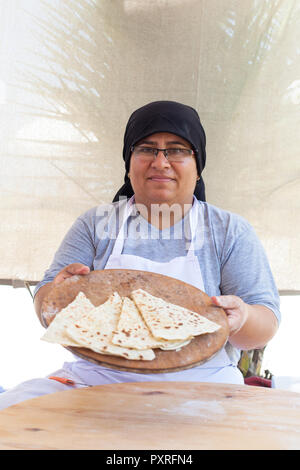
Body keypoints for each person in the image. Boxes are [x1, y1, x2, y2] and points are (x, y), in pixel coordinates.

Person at [0, 101, 280, 410]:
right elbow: (45, 304)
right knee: (13, 413)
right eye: (147, 148)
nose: (161, 162)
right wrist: (56, 295)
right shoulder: (96, 224)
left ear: (198, 167)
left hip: (203, 386)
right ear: (128, 162)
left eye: (177, 150)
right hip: (95, 381)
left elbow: (264, 322)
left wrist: (242, 319)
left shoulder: (228, 231)